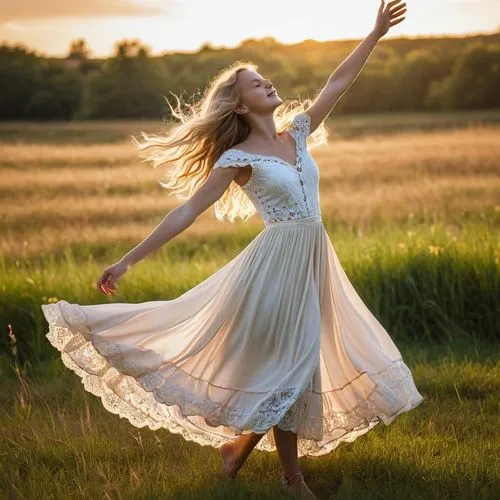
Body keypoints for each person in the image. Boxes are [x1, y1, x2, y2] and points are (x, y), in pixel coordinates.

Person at [41, 2, 419, 498]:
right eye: (256, 84)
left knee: (298, 365)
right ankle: (292, 480)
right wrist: (130, 258)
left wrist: (374, 34)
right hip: (275, 266)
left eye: (266, 79)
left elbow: (337, 83)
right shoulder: (238, 157)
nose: (268, 85)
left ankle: (239, 450)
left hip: (313, 260)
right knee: (295, 363)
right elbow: (188, 210)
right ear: (240, 106)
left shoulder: (297, 134)